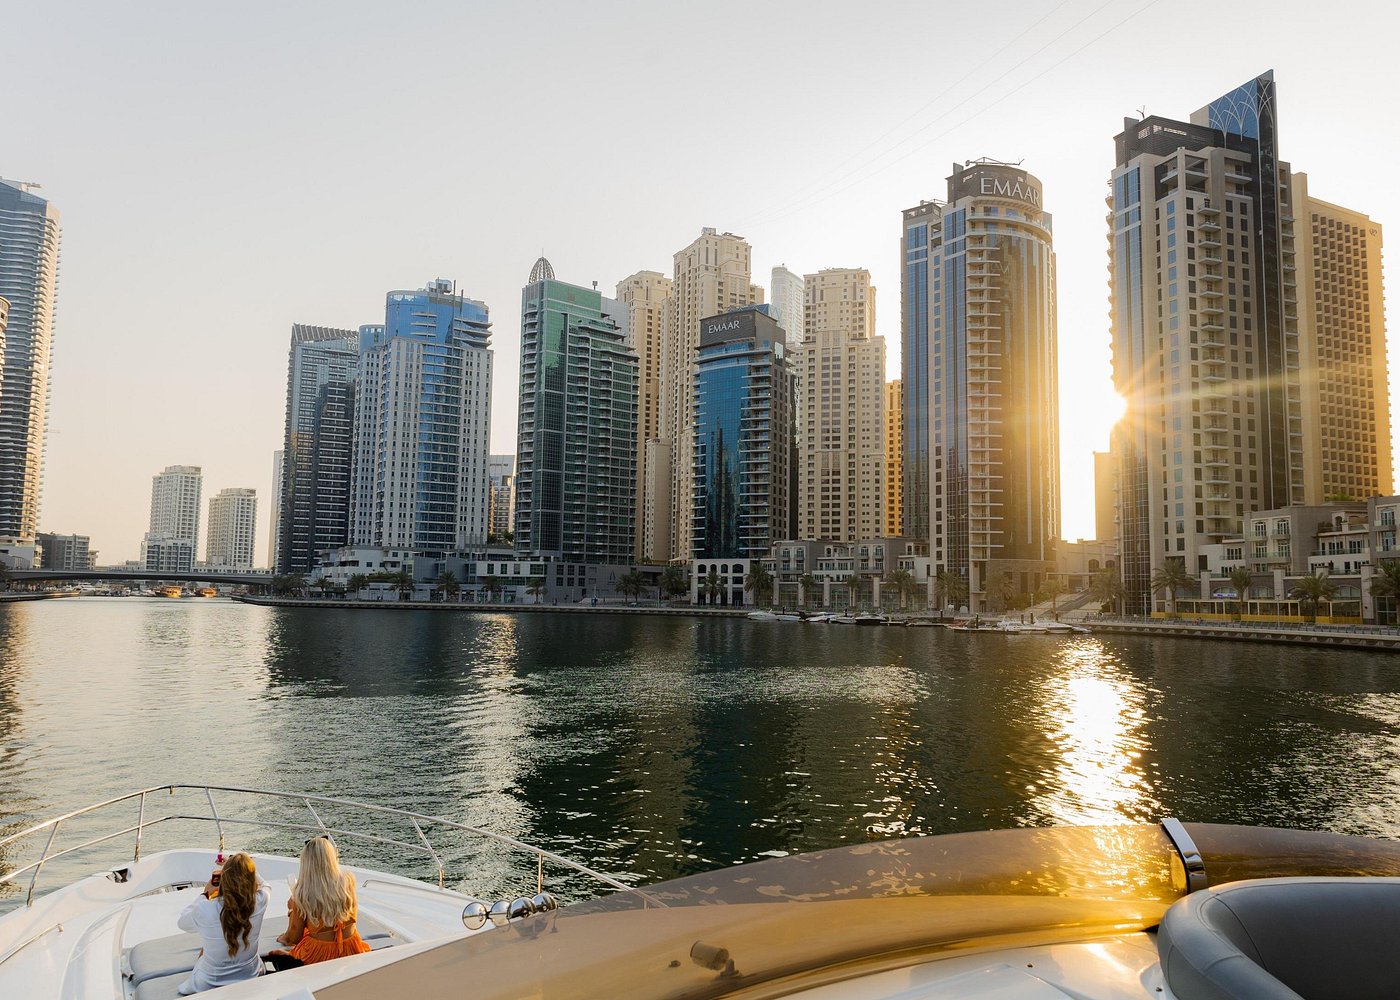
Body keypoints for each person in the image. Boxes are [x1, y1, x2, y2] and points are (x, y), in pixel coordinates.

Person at [266, 836, 371, 969]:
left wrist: (292, 910)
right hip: (351, 947)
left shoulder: (303, 893)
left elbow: (293, 938)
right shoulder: (348, 880)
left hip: (319, 954)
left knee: (276, 954)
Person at [176, 852, 269, 995]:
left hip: (209, 983)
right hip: (250, 975)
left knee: (206, 948)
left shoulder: (205, 909)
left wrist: (205, 894)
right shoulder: (261, 900)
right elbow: (265, 885)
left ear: (224, 880)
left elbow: (182, 923)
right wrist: (243, 867)